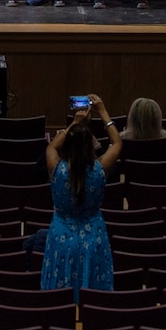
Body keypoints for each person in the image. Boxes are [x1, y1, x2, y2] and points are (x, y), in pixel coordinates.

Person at [41, 94, 123, 298]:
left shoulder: (55, 168)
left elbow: (51, 146)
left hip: (61, 237)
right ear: (91, 145)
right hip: (94, 237)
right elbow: (117, 143)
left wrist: (74, 124)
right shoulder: (99, 169)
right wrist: (103, 112)